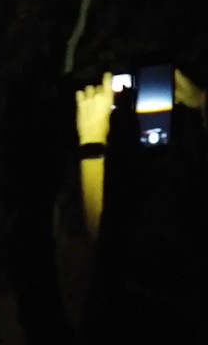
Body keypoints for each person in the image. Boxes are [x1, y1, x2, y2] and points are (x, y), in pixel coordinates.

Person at [75, 65, 208, 344]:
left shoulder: (128, 313)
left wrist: (91, 142)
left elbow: (103, 253)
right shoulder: (192, 287)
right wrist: (201, 104)